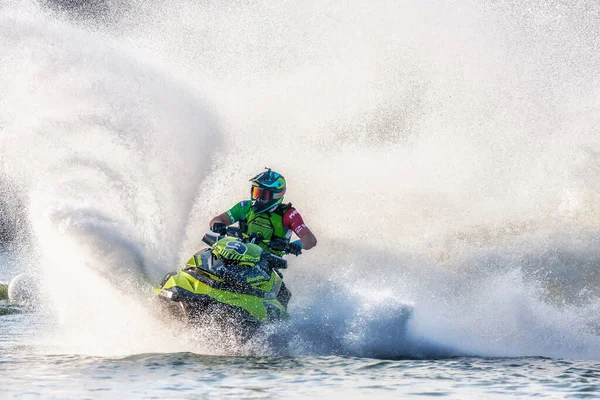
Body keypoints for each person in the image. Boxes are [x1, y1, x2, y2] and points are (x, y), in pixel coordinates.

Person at [209, 168, 317, 257]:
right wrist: (217, 224)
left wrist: (298, 244)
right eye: (256, 192)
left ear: (276, 195)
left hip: (267, 264)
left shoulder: (288, 214)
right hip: (236, 253)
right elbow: (219, 219)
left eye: (262, 195)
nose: (258, 199)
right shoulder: (246, 207)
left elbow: (310, 239)